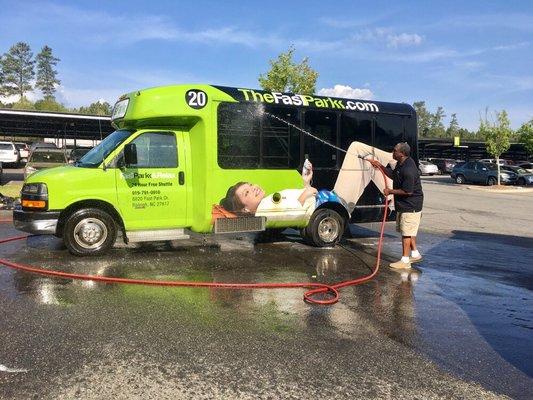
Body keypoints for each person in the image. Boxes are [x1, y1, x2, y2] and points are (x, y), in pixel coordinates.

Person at [368, 142, 424, 269]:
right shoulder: (401, 164)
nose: (393, 152)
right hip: (405, 205)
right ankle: (415, 254)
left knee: (406, 233)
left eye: (395, 151)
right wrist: (380, 166)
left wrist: (390, 191)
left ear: (402, 153)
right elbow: (393, 175)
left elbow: (407, 191)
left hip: (411, 206)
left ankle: (404, 261)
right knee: (408, 232)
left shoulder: (408, 169)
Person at [221, 162, 318, 223]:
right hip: (318, 205)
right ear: (245, 210)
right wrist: (306, 192)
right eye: (247, 192)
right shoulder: (266, 208)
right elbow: (293, 212)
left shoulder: (265, 205)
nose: (253, 188)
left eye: (250, 185)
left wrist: (306, 183)